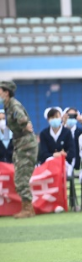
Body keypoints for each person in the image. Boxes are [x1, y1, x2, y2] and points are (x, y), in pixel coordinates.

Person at [0, 81, 38, 218]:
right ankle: (27, 208)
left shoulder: (13, 105)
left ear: (6, 92)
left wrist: (25, 124)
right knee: (19, 176)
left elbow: (22, 119)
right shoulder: (8, 106)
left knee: (21, 177)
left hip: (26, 145)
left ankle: (28, 209)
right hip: (20, 143)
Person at [38, 107, 75, 176]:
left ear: (61, 118)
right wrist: (54, 155)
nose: (54, 119)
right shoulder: (44, 134)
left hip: (64, 163)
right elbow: (43, 154)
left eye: (56, 117)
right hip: (48, 164)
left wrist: (63, 155)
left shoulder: (67, 132)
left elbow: (72, 152)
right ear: (48, 120)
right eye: (52, 118)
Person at [63, 107, 82, 171]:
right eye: (69, 116)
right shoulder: (61, 131)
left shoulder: (80, 132)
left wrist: (81, 120)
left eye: (74, 116)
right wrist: (63, 122)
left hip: (78, 165)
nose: (71, 118)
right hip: (64, 164)